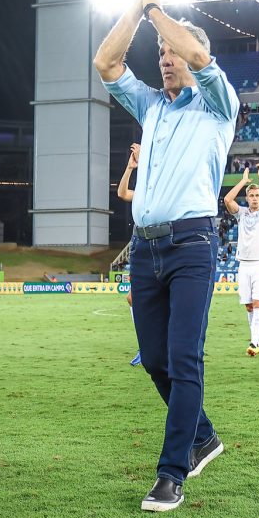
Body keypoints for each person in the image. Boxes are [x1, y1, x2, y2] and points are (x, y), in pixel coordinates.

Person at [94, 0, 236, 512]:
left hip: (193, 244)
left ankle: (171, 472)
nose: (165, 59)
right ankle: (203, 435)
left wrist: (156, 9)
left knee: (183, 359)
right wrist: (137, 5)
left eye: (171, 51)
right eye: (160, 54)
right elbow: (106, 61)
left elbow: (198, 54)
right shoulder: (151, 106)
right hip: (145, 247)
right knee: (154, 358)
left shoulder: (218, 105)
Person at [224, 164, 259, 356]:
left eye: (257, 195)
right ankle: (258, 340)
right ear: (247, 198)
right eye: (251, 195)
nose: (255, 198)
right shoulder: (241, 214)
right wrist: (243, 181)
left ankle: (254, 343)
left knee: (258, 303)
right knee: (249, 305)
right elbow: (227, 199)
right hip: (244, 265)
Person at [118, 143, 144, 367]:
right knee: (131, 297)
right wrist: (130, 167)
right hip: (139, 244)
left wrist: (144, 160)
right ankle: (145, 346)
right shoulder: (142, 192)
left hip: (159, 243)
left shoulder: (162, 187)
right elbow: (122, 193)